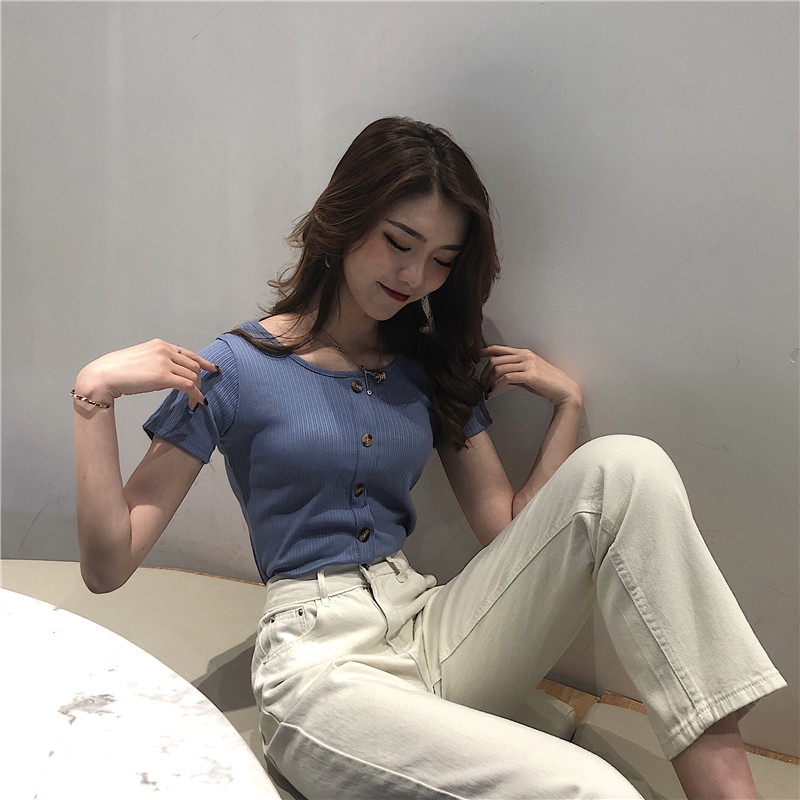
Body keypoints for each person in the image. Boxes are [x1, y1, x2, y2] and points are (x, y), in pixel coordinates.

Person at [73, 117, 785, 800]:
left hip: (429, 626)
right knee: (593, 790)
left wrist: (568, 408)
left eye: (442, 260)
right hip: (320, 668)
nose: (415, 275)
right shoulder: (236, 367)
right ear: (346, 217)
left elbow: (507, 532)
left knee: (628, 466)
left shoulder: (424, 367)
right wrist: (92, 399)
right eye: (400, 242)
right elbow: (109, 566)